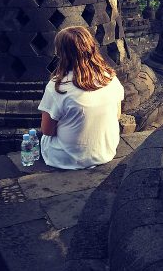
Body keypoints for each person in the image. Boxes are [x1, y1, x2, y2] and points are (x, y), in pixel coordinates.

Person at [38, 26, 124, 170]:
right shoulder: (110, 78)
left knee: (43, 136)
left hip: (67, 159)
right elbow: (117, 115)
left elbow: (47, 131)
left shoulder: (57, 87)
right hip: (105, 152)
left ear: (61, 54)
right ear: (92, 48)